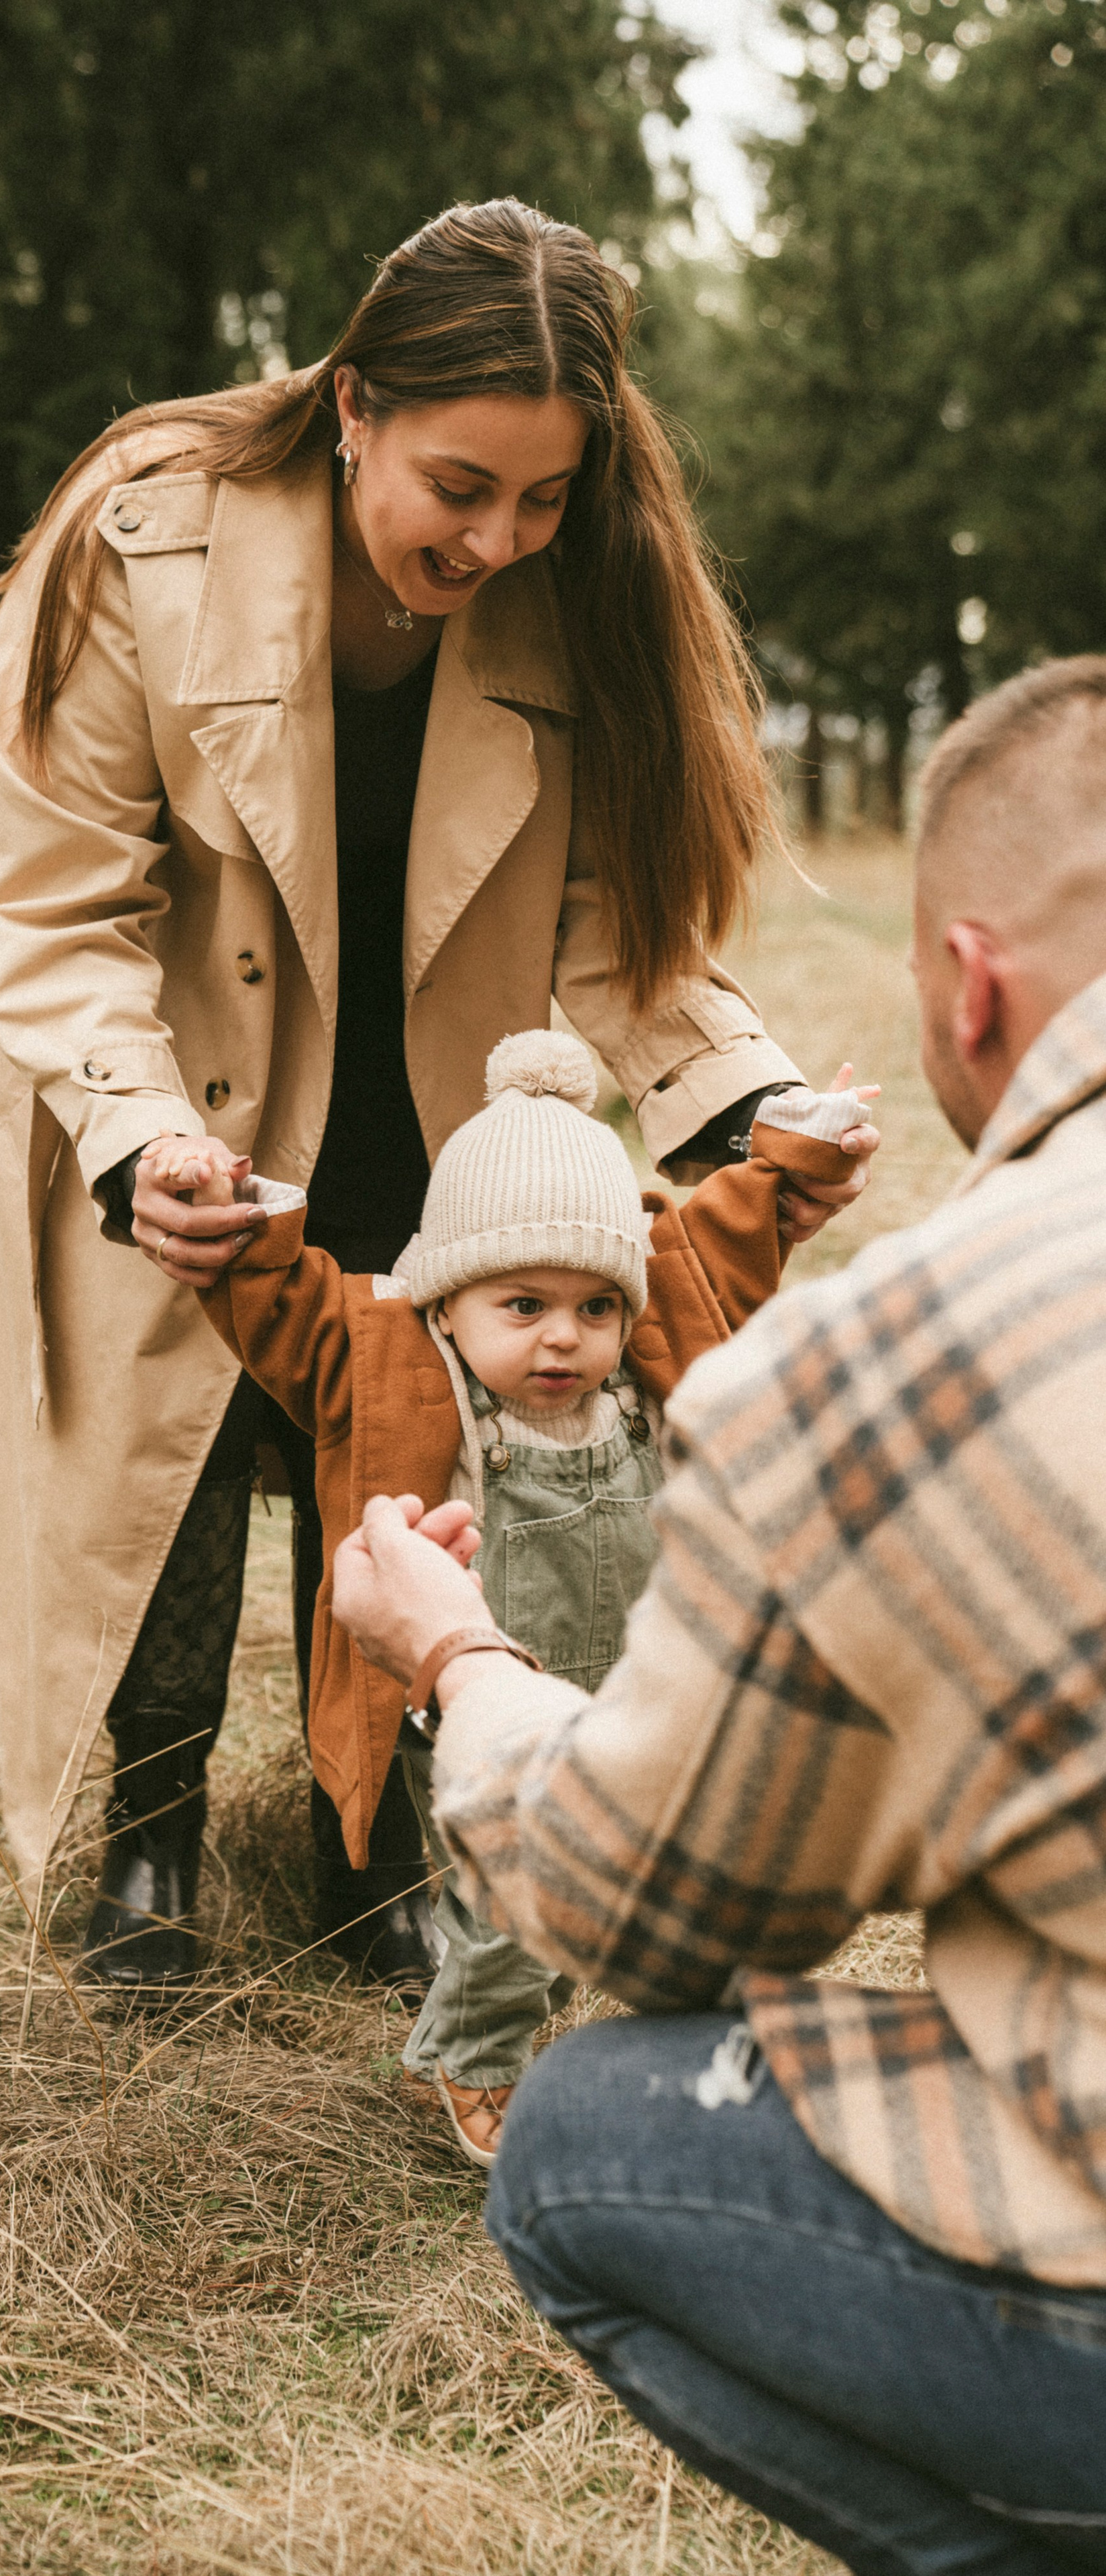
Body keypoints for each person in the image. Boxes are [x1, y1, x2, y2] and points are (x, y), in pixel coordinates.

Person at [0, 196, 871, 1999]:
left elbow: (617, 928)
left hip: (423, 1114)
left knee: (402, 1450)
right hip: (161, 1090)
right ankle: (154, 1838)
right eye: (458, 487)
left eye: (541, 499)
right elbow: (50, 900)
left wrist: (745, 1107)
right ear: (351, 404)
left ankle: (372, 1842)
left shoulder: (575, 604)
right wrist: (139, 1138)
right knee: (171, 1460)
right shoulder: (143, 535)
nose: (498, 539)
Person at [327, 657, 1106, 2575]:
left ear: (968, 981)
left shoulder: (908, 1366)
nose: (574, 1341)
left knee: (590, 2134)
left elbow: (656, 1913)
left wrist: (456, 1657)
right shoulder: (455, 1363)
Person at [148, 1032, 874, 2159]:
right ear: (450, 1299)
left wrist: (800, 1149)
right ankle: (472, 2061)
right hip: (483, 1697)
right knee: (507, 1908)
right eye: (522, 1305)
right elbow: (275, 1300)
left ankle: (701, 2057)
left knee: (699, 1875)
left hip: (646, 1687)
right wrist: (229, 1203)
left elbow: (726, 1234)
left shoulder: (647, 1349)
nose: (563, 1339)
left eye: (594, 1308)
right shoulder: (385, 1356)